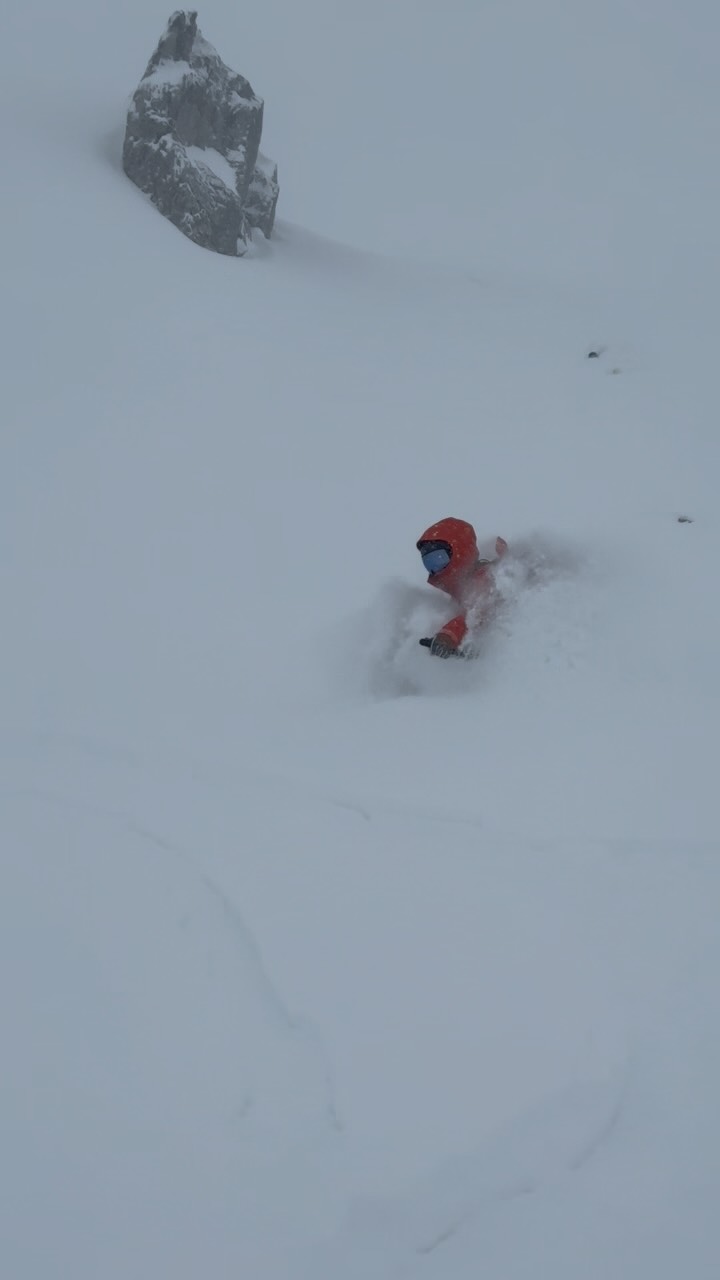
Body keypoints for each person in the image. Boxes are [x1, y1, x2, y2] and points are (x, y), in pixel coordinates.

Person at [416, 517, 508, 657]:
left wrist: (448, 636)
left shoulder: (485, 577)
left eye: (439, 559)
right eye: (429, 564)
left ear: (461, 550)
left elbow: (476, 613)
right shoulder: (460, 590)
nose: (436, 569)